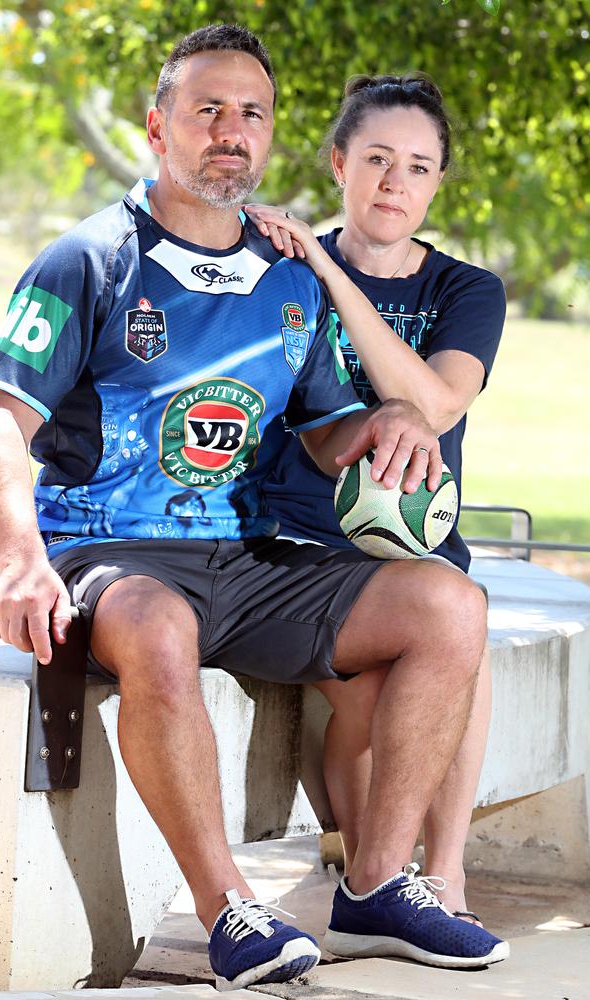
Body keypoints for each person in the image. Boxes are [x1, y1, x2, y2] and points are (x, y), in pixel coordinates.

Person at [0, 27, 507, 992]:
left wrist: (391, 424)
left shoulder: (289, 280)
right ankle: (229, 915)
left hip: (248, 557)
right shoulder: (90, 258)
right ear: (157, 125)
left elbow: (330, 430)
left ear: (270, 137)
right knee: (156, 627)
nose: (230, 130)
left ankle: (377, 885)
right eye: (206, 108)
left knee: (448, 606)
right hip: (113, 550)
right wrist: (18, 556)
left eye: (250, 113)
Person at [244, 73, 505, 925]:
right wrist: (311, 262)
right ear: (338, 162)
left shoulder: (467, 291)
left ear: (437, 183)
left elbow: (433, 404)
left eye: (420, 167)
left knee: (467, 638)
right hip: (303, 541)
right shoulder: (275, 273)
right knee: (365, 689)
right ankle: (371, 867)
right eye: (378, 159)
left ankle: (448, 877)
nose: (396, 182)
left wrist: (329, 266)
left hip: (414, 542)